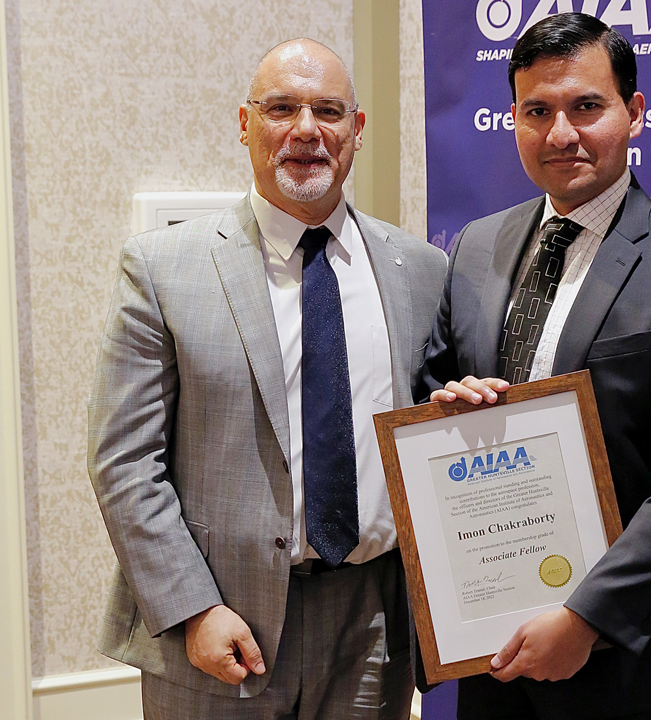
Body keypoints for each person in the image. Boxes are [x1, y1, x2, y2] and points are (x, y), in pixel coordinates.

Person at [88, 38, 447, 720]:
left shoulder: (421, 271)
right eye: (281, 108)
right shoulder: (162, 270)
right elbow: (124, 463)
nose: (306, 130)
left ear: (357, 130)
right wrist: (192, 608)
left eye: (328, 111)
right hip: (223, 628)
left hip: (374, 627)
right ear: (245, 124)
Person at [418, 13, 651, 720]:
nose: (561, 133)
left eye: (586, 107)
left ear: (633, 114)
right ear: (512, 118)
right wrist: (448, 402)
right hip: (495, 643)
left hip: (626, 654)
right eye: (537, 111)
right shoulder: (476, 247)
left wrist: (585, 619)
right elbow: (430, 390)